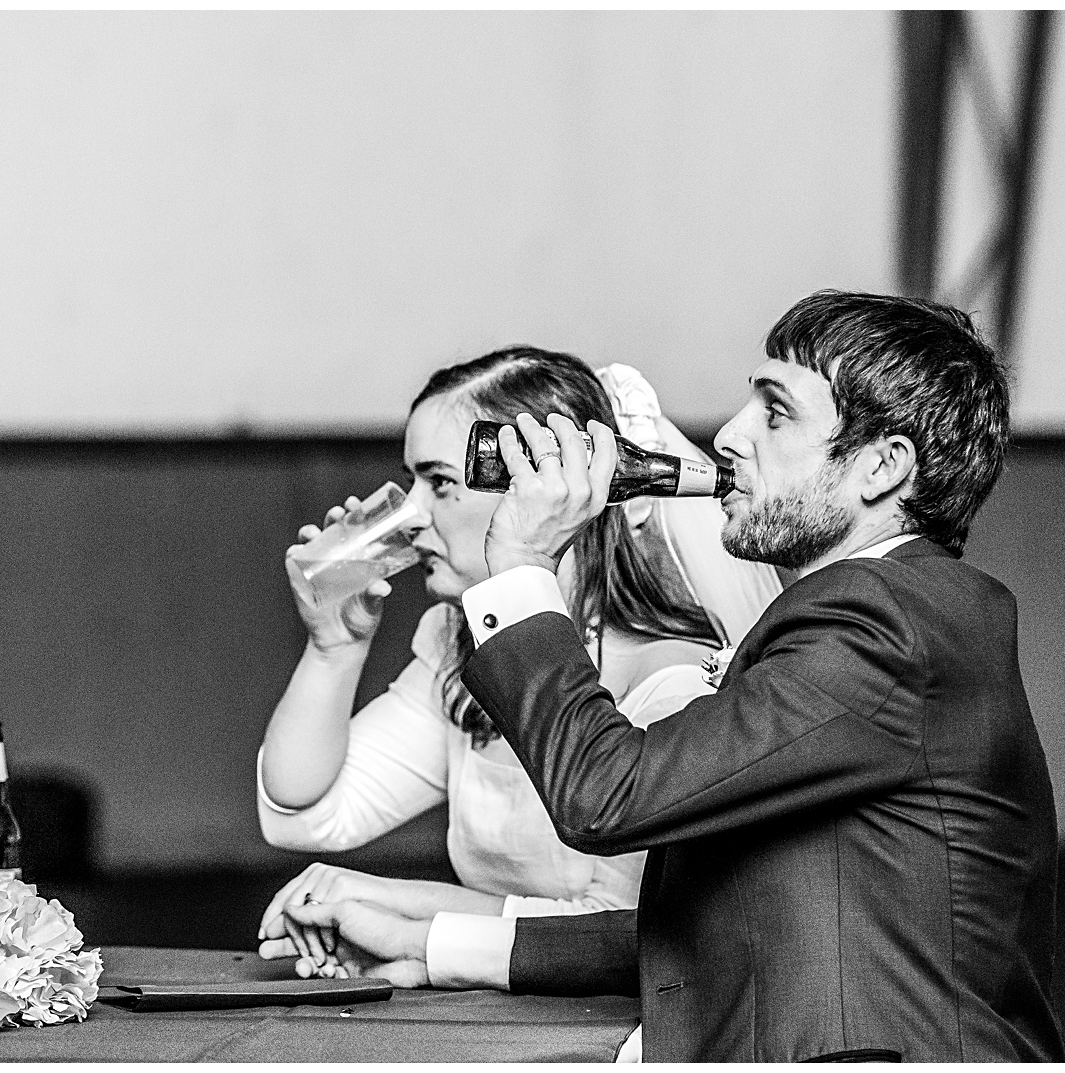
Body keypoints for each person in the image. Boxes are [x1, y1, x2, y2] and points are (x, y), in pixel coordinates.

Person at [266, 292, 1064, 1062]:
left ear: (882, 467)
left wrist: (519, 567)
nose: (728, 436)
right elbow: (696, 931)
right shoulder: (868, 617)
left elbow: (606, 793)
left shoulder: (881, 623)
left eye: (775, 411)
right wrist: (423, 937)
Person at [256, 347, 781, 981]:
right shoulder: (464, 643)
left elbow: (623, 929)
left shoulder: (668, 684)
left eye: (441, 482)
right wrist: (332, 649)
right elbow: (306, 814)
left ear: (544, 491)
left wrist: (403, 913)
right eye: (414, 481)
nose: (413, 514)